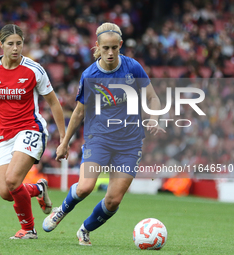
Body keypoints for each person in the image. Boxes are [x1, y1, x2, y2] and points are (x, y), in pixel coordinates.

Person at [43, 22, 165, 245]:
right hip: (98, 138)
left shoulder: (133, 68)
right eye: (105, 48)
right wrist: (64, 143)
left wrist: (154, 118)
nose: (110, 53)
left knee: (113, 201)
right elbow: (79, 112)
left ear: (120, 45)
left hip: (129, 143)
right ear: (97, 46)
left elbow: (153, 98)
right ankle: (62, 210)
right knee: (86, 187)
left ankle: (85, 229)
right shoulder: (89, 75)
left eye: (114, 48)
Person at [0, 24, 66, 239]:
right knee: (6, 192)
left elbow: (54, 103)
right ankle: (38, 189)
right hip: (6, 136)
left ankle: (28, 230)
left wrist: (63, 138)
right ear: (1, 45)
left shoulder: (34, 70)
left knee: (12, 181)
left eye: (19, 43)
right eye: (10, 44)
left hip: (31, 130)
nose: (15, 48)